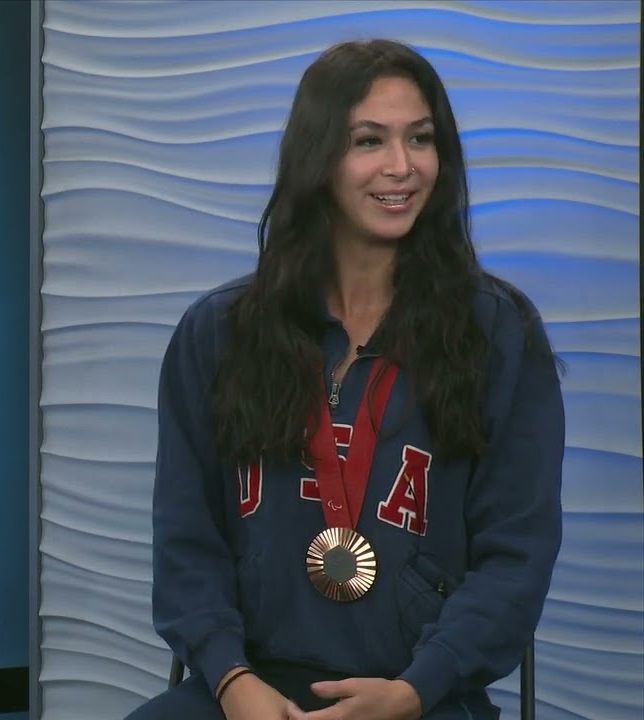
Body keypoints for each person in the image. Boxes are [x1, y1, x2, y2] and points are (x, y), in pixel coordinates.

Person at [126, 40, 564, 720]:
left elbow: (517, 556)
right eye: (369, 140)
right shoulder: (218, 333)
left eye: (420, 138)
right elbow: (187, 542)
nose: (401, 166)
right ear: (319, 158)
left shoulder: (498, 334)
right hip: (250, 687)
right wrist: (232, 679)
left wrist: (417, 689)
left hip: (421, 694)